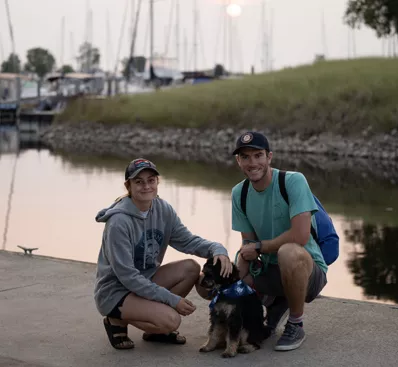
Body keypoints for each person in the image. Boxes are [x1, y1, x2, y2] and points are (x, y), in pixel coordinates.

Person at [94, 158, 231, 350]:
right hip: (116, 291)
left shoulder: (162, 209)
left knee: (191, 268)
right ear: (128, 185)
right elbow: (128, 277)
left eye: (151, 180)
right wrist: (172, 300)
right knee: (171, 321)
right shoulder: (118, 222)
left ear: (158, 182)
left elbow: (187, 241)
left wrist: (217, 249)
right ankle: (116, 319)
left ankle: (153, 327)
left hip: (145, 280)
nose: (146, 186)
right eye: (138, 181)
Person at [230, 131, 328, 351]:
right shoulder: (239, 193)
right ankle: (275, 305)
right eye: (245, 157)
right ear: (238, 161)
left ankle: (295, 323)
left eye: (258, 155)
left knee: (288, 253)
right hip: (268, 270)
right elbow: (247, 245)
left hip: (308, 269)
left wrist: (260, 247)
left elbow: (301, 236)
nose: (252, 162)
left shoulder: (293, 181)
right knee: (217, 287)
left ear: (269, 157)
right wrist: (235, 284)